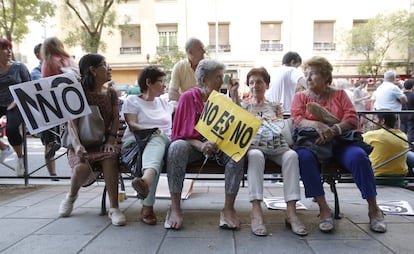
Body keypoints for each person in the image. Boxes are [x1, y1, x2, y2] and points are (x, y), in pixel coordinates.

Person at [290, 56, 386, 233]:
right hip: (314, 143)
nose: (308, 78)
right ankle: (324, 209)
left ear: (327, 77)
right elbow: (296, 119)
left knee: (358, 156)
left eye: (313, 74)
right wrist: (316, 124)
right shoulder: (300, 97)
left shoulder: (340, 95)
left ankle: (374, 209)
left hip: (341, 142)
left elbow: (351, 118)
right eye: (306, 74)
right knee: (302, 157)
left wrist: (333, 130)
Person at [165, 59, 244, 230]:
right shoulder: (188, 97)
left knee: (237, 153)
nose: (221, 81)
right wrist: (201, 146)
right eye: (217, 77)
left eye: (221, 77)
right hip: (193, 147)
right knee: (176, 148)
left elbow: (239, 121)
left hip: (217, 147)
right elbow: (179, 135)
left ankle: (229, 209)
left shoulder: (221, 99)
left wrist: (234, 94)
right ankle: (176, 208)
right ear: (204, 80)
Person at [58, 53, 126, 226]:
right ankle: (71, 196)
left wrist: (111, 141)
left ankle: (114, 208)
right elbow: (72, 123)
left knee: (110, 158)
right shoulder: (78, 91)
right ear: (93, 70)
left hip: (104, 142)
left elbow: (116, 119)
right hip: (81, 143)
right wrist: (78, 145)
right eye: (105, 64)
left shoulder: (111, 93)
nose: (109, 68)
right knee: (81, 168)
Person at [239, 67, 307, 236]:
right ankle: (256, 211)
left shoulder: (275, 106)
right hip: (255, 147)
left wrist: (276, 120)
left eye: (259, 82)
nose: (255, 85)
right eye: (252, 82)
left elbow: (281, 128)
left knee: (291, 155)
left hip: (276, 146)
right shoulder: (244, 106)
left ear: (267, 85)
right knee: (255, 156)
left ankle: (291, 212)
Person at [121, 66, 173, 225]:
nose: (165, 85)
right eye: (161, 82)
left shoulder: (165, 103)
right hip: (136, 144)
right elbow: (132, 125)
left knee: (158, 141)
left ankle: (145, 185)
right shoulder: (132, 100)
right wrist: (151, 131)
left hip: (164, 145)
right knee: (156, 145)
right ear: (149, 82)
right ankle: (146, 190)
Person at [40, 37, 78, 178]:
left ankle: (53, 173)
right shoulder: (69, 61)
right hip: (71, 103)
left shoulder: (48, 61)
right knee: (73, 138)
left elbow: (45, 82)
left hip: (53, 104)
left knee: (48, 138)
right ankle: (75, 169)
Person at [0, 38, 30, 176]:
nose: (9, 51)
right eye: (4, 48)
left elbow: (29, 87)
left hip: (16, 103)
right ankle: (4, 148)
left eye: (9, 48)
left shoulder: (19, 67)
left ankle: (20, 159)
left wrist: (18, 100)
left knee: (11, 128)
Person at [29, 43, 58, 180]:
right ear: (37, 55)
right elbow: (41, 84)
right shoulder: (35, 72)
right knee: (49, 142)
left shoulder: (59, 66)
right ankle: (53, 174)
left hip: (61, 108)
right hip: (47, 111)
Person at [363, 112, 414, 186]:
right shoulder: (403, 136)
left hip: (377, 177)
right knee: (406, 153)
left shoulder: (371, 135)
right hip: (399, 178)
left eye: (374, 119)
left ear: (382, 121)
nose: (372, 123)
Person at [168, 37, 205, 105]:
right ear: (190, 52)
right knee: (172, 104)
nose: (204, 51)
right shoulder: (179, 67)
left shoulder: (208, 67)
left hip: (204, 106)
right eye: (200, 49)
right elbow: (172, 93)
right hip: (186, 106)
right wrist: (189, 102)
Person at [400, 79, 414, 147]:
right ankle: (410, 147)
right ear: (412, 86)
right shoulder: (413, 95)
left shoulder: (401, 95)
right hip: (411, 115)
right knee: (411, 131)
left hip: (402, 115)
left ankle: (402, 145)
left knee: (402, 131)